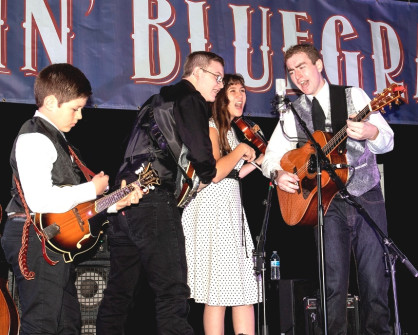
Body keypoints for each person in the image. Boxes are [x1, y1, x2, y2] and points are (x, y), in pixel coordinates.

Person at [0, 63, 142, 335]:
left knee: (67, 325)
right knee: (42, 324)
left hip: (51, 238)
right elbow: (41, 200)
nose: (79, 116)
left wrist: (113, 203)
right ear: (51, 101)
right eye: (75, 108)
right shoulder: (34, 138)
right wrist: (92, 189)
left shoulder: (56, 139)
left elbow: (70, 207)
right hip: (34, 238)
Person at [262, 43, 394, 334]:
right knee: (332, 285)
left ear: (319, 65)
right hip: (325, 204)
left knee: (374, 281)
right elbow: (271, 156)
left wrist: (371, 132)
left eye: (302, 66)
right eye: (292, 70)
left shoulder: (353, 95)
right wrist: (277, 173)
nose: (297, 75)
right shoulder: (293, 113)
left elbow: (388, 139)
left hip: (366, 195)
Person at [96, 51, 225, 335]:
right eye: (217, 77)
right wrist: (207, 174)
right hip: (152, 199)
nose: (220, 84)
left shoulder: (152, 102)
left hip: (122, 199)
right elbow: (202, 153)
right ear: (198, 74)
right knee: (172, 290)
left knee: (119, 292)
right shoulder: (189, 98)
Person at [181, 73, 264, 335]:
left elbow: (234, 174)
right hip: (212, 212)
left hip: (229, 210)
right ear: (220, 98)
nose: (241, 96)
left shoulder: (232, 131)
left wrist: (260, 160)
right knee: (217, 292)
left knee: (242, 289)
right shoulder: (211, 126)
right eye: (233, 91)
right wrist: (241, 152)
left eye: (243, 90)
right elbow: (215, 173)